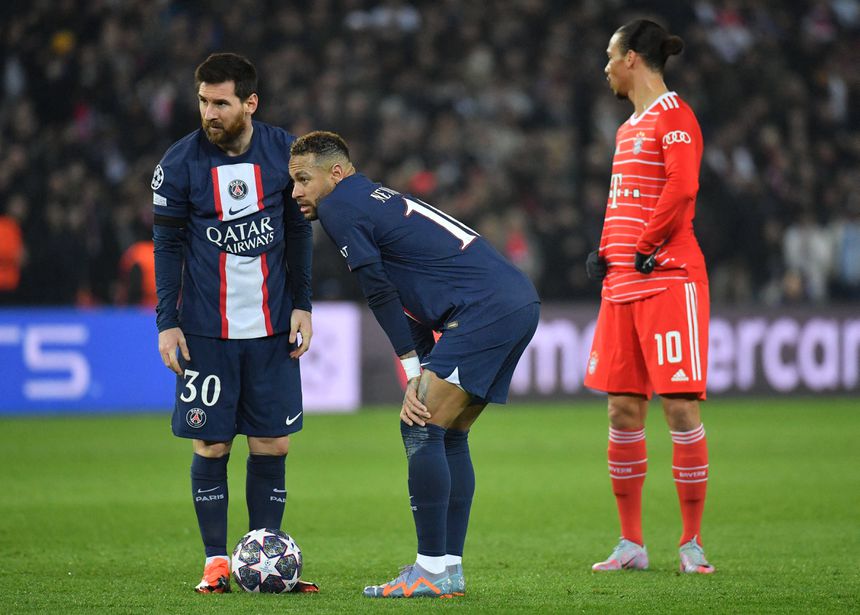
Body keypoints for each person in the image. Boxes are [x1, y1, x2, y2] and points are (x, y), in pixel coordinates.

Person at [288, 131, 540, 598]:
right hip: (513, 300)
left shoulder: (340, 206)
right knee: (448, 431)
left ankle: (430, 570)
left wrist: (410, 374)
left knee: (419, 426)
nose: (296, 192)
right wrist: (421, 365)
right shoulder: (374, 201)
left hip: (484, 308)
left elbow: (379, 292)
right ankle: (448, 569)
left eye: (304, 179)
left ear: (336, 173)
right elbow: (411, 303)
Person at [151, 53, 317, 593]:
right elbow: (166, 245)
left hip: (271, 328)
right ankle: (216, 562)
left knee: (273, 445)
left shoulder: (284, 154)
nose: (209, 112)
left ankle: (263, 555)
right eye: (203, 101)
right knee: (212, 446)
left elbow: (299, 231)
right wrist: (167, 322)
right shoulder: (179, 163)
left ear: (250, 103)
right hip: (205, 330)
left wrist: (303, 303)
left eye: (221, 102)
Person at [583, 20, 714, 575]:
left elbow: (682, 189)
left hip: (669, 278)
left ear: (631, 58)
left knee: (679, 407)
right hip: (622, 284)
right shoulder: (627, 129)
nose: (606, 68)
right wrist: (605, 250)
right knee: (622, 409)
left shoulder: (675, 117)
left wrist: (646, 244)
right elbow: (624, 199)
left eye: (609, 56)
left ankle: (691, 543)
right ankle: (631, 543)